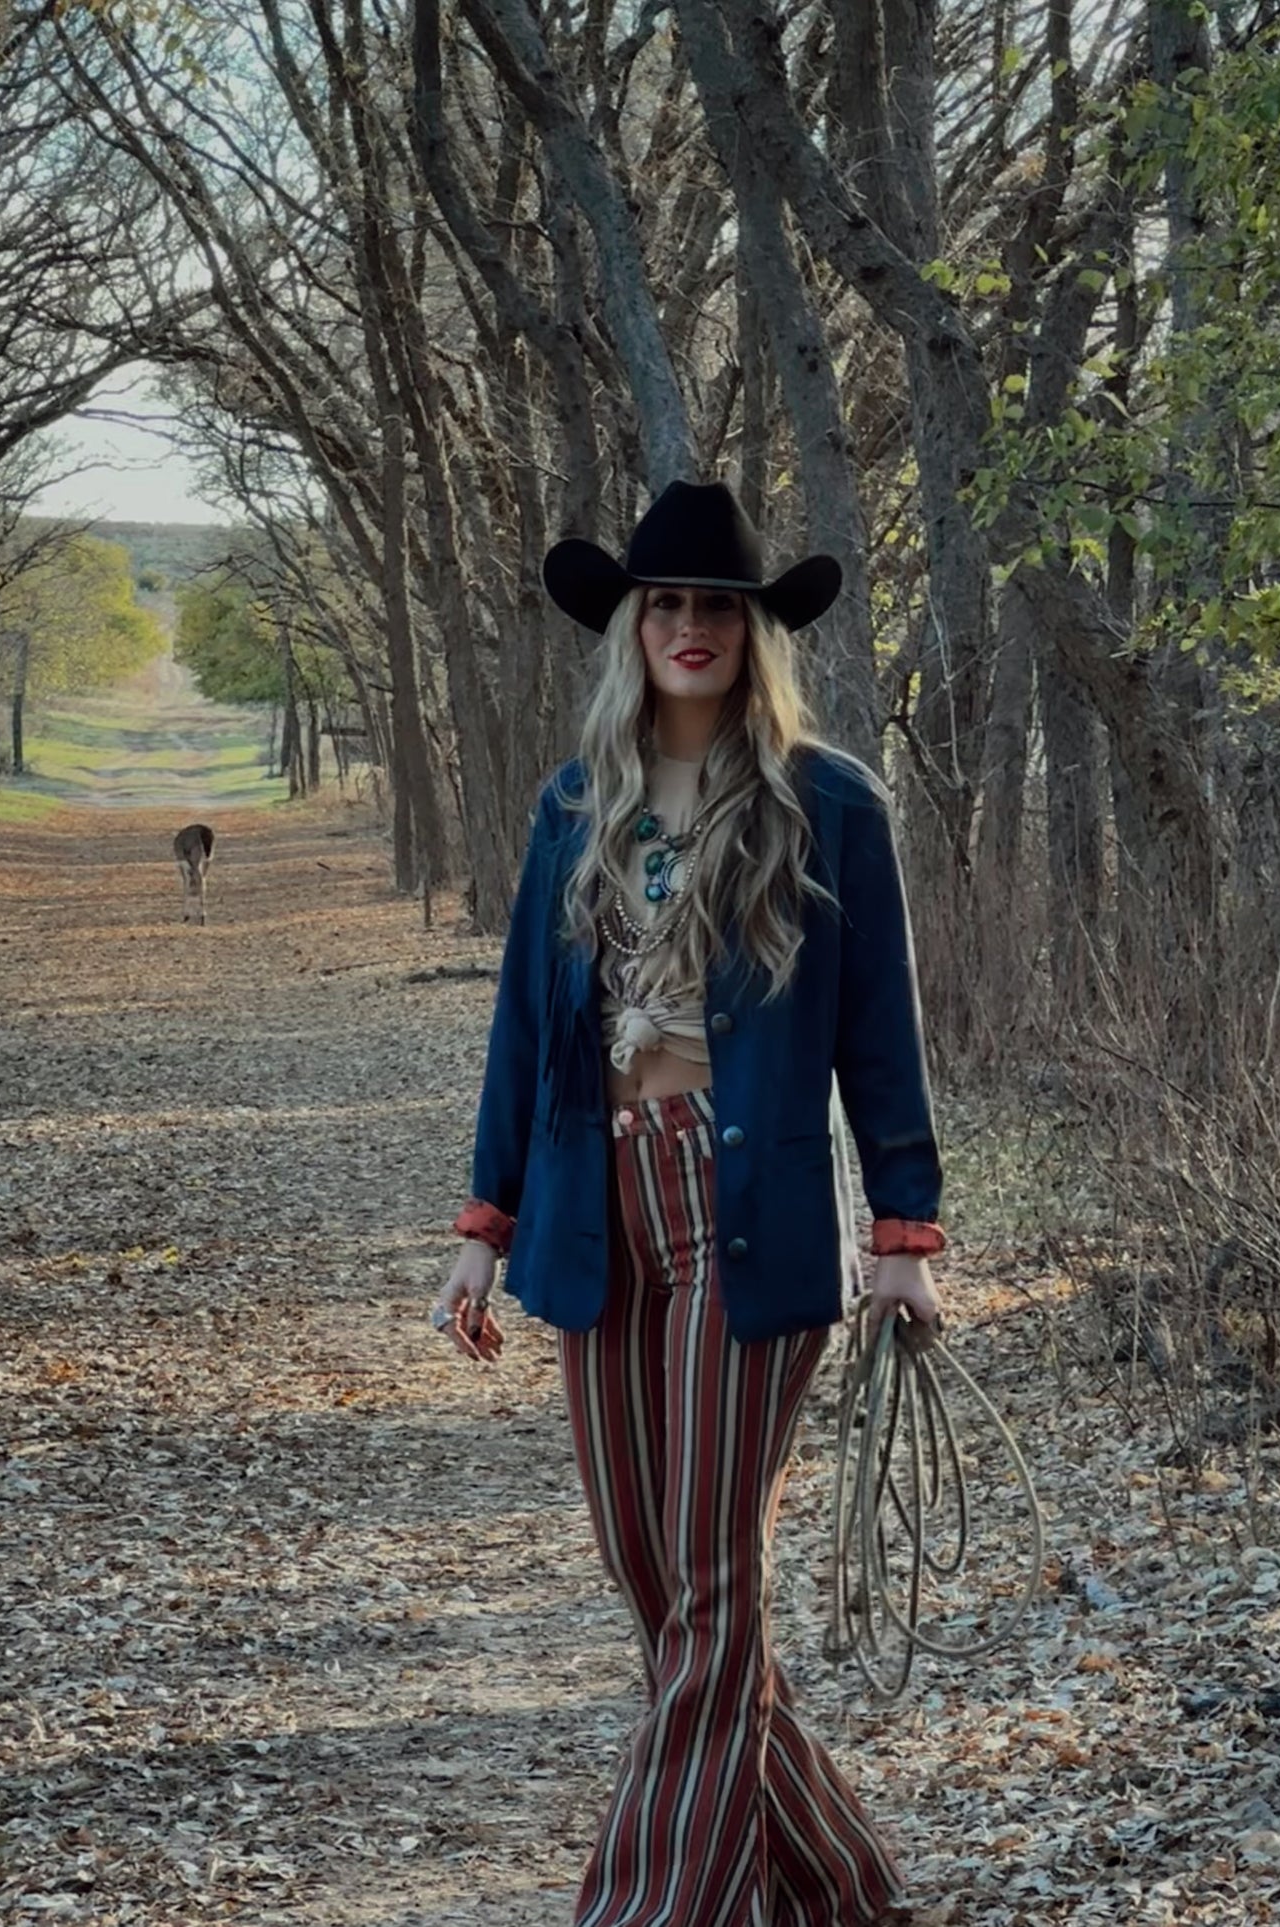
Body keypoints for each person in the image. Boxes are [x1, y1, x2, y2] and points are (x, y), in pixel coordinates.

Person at [433, 480, 945, 1927]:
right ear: (629, 627)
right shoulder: (572, 806)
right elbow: (523, 1034)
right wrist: (484, 1228)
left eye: (715, 605)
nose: (689, 627)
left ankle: (649, 1910)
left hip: (750, 1206)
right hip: (592, 1211)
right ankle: (846, 1891)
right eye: (664, 603)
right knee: (657, 1590)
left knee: (714, 1583)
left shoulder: (825, 802)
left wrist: (902, 1236)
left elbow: (879, 1031)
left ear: (752, 630)